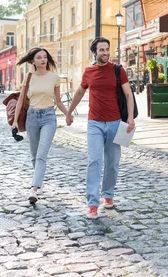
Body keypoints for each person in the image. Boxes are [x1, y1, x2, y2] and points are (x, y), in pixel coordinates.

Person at [66, 37, 135, 219]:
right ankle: (93, 204)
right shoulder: (89, 72)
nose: (105, 53)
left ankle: (109, 195)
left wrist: (130, 118)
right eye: (101, 50)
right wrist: (69, 112)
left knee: (112, 163)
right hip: (94, 123)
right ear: (94, 53)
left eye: (107, 49)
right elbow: (80, 92)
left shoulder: (118, 71)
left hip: (115, 123)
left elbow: (128, 95)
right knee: (94, 161)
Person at [13, 47, 72, 204]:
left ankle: (34, 188)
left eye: (45, 57)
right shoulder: (29, 77)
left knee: (41, 155)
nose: (43, 60)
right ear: (33, 61)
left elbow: (58, 101)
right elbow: (20, 100)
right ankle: (39, 183)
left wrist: (68, 113)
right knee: (34, 155)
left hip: (48, 118)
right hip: (31, 118)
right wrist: (14, 121)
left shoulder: (54, 77)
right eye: (39, 57)